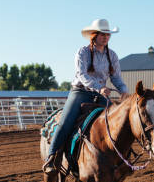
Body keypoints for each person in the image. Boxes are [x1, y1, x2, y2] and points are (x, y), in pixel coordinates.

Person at [43, 18, 129, 173]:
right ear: (93, 35)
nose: (105, 37)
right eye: (102, 34)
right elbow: (82, 75)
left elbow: (116, 78)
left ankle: (119, 160)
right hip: (81, 92)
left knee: (116, 122)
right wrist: (99, 88)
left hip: (100, 94)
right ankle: (51, 157)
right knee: (65, 123)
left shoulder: (112, 56)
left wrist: (123, 90)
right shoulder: (83, 52)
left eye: (107, 34)